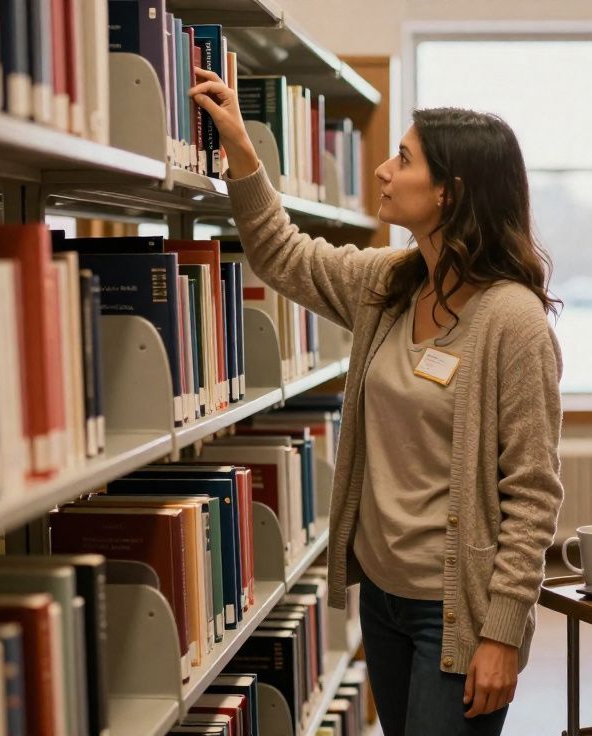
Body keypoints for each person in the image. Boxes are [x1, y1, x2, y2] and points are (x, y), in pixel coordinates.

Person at [190, 69, 565, 736]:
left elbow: (532, 495)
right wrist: (243, 157)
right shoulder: (389, 282)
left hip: (455, 613)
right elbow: (284, 256)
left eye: (404, 159)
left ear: (450, 194)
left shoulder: (514, 321)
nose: (384, 171)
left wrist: (502, 634)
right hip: (385, 603)